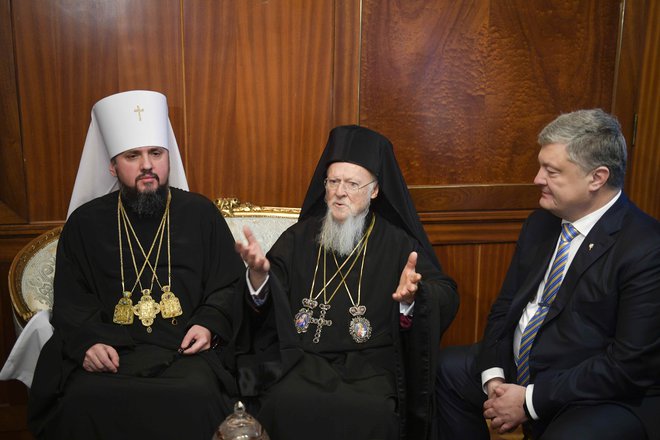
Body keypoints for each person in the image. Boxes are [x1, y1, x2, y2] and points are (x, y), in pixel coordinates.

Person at [27, 90, 245, 439]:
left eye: (156, 153)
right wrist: (89, 343)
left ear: (167, 158)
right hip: (112, 353)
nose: (147, 165)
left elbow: (228, 284)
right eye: (133, 155)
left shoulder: (200, 213)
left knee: (198, 394)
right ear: (113, 165)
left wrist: (208, 324)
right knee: (83, 398)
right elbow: (71, 298)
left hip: (185, 354)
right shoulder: (85, 223)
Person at [436, 109, 660, 440]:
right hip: (524, 368)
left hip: (596, 391)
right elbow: (506, 307)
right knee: (446, 369)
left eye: (551, 171)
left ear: (596, 178)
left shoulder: (646, 247)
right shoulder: (540, 223)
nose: (537, 178)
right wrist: (495, 378)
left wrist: (528, 400)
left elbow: (627, 366)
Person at [231, 125, 459, 440]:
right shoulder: (298, 238)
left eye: (352, 183)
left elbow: (445, 292)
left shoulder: (397, 244)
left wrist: (413, 298)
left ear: (375, 190)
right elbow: (266, 303)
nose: (340, 192)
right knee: (282, 401)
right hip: (300, 359)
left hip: (370, 367)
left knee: (371, 412)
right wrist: (258, 276)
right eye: (333, 181)